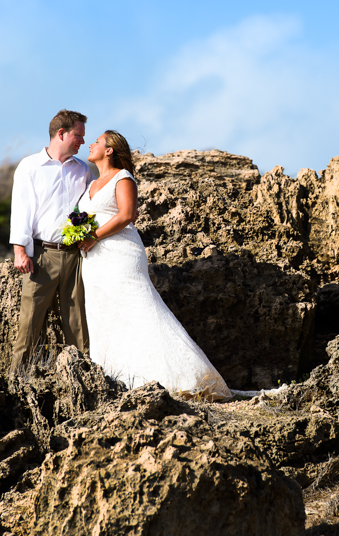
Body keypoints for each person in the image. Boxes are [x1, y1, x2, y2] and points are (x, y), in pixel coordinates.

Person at [76, 130, 232, 400]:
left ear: (110, 149)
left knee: (140, 309)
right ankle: (120, 378)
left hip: (120, 255)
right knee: (105, 314)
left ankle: (183, 377)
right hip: (94, 261)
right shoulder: (90, 184)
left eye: (97, 142)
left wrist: (93, 236)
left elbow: (127, 214)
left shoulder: (123, 178)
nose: (90, 144)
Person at [8, 109, 95, 375]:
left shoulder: (83, 171)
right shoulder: (30, 166)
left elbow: (90, 209)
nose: (82, 141)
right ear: (61, 134)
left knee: (78, 322)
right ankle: (17, 380)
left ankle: (84, 380)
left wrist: (89, 236)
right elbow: (21, 209)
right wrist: (20, 251)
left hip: (76, 257)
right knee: (29, 323)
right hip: (42, 257)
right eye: (78, 136)